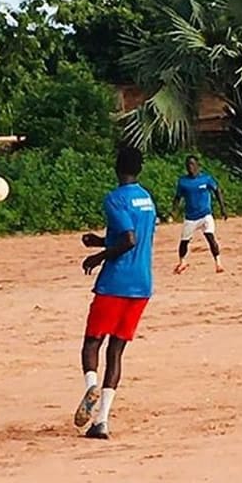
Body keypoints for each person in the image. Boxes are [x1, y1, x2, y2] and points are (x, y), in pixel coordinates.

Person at [74, 146, 156, 440]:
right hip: (143, 285)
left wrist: (97, 258)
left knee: (92, 343)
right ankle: (102, 422)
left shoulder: (114, 199)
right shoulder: (147, 199)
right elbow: (131, 236)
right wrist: (100, 241)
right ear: (140, 170)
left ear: (116, 167)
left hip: (115, 283)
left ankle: (90, 387)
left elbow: (129, 240)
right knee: (117, 351)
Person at [171, 155, 228, 274]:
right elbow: (178, 197)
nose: (190, 167)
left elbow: (217, 191)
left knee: (210, 238)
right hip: (191, 217)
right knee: (184, 241)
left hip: (205, 214)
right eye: (188, 165)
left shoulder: (206, 179)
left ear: (197, 165)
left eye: (192, 164)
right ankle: (182, 261)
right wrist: (174, 210)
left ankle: (218, 263)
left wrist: (223, 208)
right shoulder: (183, 182)